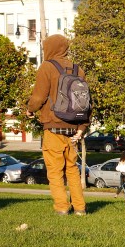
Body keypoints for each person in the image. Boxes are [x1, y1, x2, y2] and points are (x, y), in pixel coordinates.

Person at [26, 34, 89, 216]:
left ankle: (62, 207)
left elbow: (38, 97)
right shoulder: (79, 70)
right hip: (73, 129)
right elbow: (86, 103)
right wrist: (81, 129)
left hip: (53, 128)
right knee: (72, 170)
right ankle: (80, 208)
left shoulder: (47, 67)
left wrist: (30, 110)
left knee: (54, 171)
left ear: (49, 48)